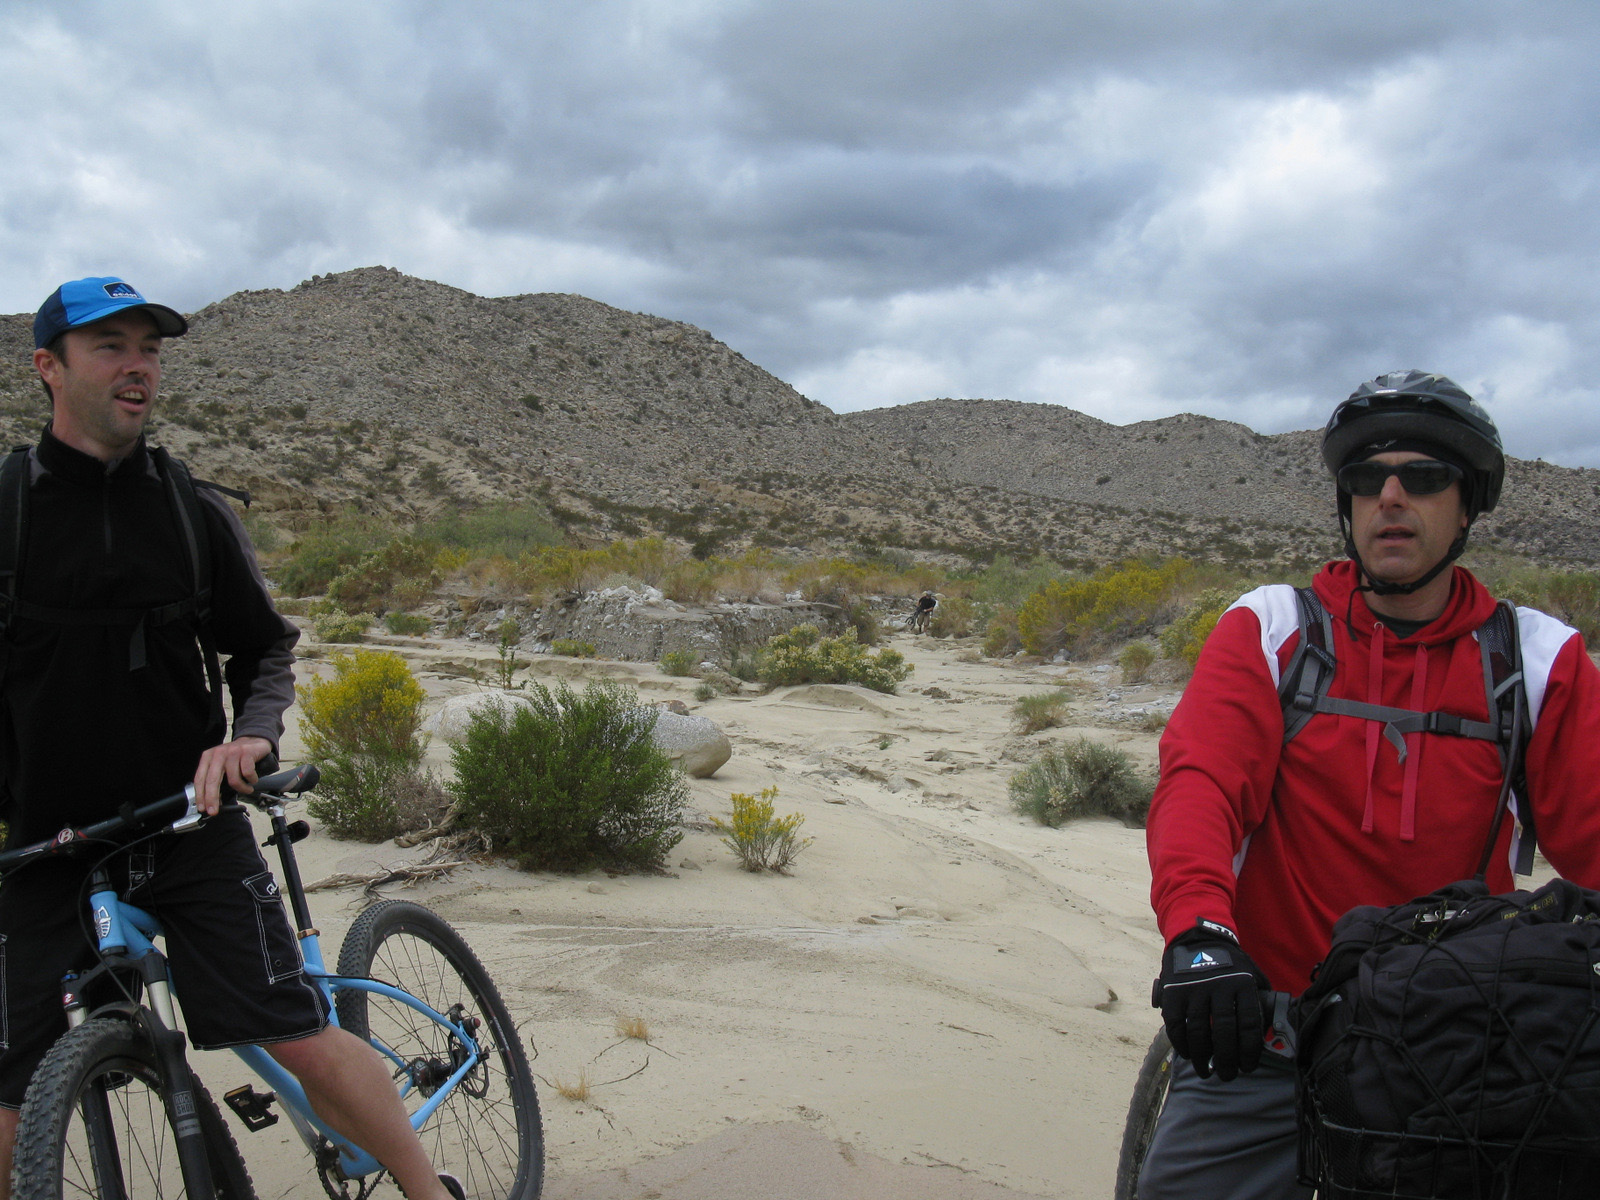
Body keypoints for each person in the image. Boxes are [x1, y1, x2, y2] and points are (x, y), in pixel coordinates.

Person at [0, 278, 462, 1200]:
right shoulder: (7, 507)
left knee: (298, 1035)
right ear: (49, 366)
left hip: (188, 823)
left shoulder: (189, 510)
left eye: (150, 348)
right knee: (11, 1087)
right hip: (47, 843)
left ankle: (427, 1192)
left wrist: (248, 738)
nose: (138, 366)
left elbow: (264, 648)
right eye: (111, 347)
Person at [1139, 370, 1600, 1199]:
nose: (1391, 496)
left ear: (1467, 506)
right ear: (1346, 505)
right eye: (1366, 478)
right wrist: (1200, 933)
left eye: (1423, 476)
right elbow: (1200, 784)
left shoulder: (1536, 661)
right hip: (1267, 1032)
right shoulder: (1274, 628)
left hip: (1459, 1039)